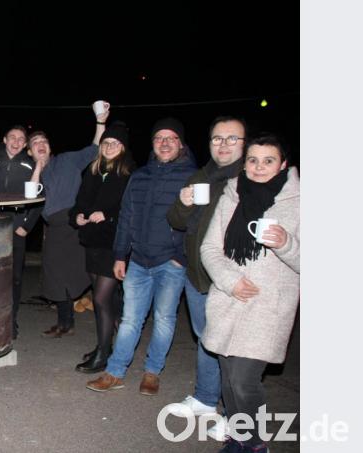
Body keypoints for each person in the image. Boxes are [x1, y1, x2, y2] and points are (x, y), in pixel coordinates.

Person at [200, 133, 299, 453]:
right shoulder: (232, 194)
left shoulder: (299, 202)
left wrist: (286, 243)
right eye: (253, 160)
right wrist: (229, 281)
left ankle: (256, 444)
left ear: (283, 164)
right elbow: (209, 248)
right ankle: (239, 437)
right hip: (228, 300)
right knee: (229, 380)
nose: (259, 167)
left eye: (268, 161)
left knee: (244, 381)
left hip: (268, 307)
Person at [87, 117, 197, 395]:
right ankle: (115, 372)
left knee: (164, 319)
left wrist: (181, 256)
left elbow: (198, 223)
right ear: (153, 143)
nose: (164, 143)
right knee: (130, 320)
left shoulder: (192, 177)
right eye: (159, 138)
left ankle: (152, 372)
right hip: (138, 260)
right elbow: (126, 217)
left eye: (171, 138)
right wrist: (120, 255)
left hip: (170, 262)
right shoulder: (140, 176)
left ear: (181, 144)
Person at [164, 117, 248, 434]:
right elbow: (176, 220)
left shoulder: (249, 178)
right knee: (206, 339)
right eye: (217, 139)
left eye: (231, 138)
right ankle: (205, 398)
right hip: (197, 274)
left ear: (245, 144)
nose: (223, 145)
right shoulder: (202, 175)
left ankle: (235, 414)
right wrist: (183, 203)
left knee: (231, 347)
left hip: (229, 278)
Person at [30, 101, 110, 338]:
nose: (40, 145)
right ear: (30, 152)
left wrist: (100, 122)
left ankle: (112, 317)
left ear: (50, 146)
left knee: (85, 273)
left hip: (75, 224)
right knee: (55, 277)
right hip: (53, 229)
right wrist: (37, 168)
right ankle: (65, 323)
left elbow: (95, 148)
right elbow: (30, 196)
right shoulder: (32, 174)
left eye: (43, 142)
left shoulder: (66, 160)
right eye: (35, 143)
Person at [69, 121, 134, 372]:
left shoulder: (128, 174)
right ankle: (106, 345)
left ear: (123, 147)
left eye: (115, 143)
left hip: (113, 244)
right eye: (106, 142)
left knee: (100, 298)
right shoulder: (93, 171)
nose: (109, 146)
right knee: (106, 300)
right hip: (92, 242)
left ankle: (104, 354)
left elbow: (130, 210)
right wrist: (76, 217)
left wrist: (107, 215)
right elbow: (79, 203)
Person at [0, 125, 41, 339]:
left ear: (25, 144)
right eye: (12, 137)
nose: (16, 141)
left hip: (15, 228)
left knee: (14, 278)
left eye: (21, 139)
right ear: (4, 139)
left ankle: (10, 321)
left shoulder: (29, 164)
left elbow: (40, 197)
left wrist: (26, 226)